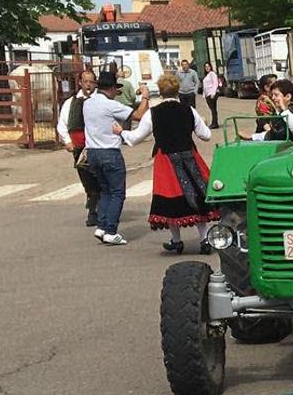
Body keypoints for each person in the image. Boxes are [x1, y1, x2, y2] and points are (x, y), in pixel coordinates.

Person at [121, 72, 219, 254]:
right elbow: (206, 135)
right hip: (189, 155)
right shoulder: (189, 110)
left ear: (160, 90)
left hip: (166, 158)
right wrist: (200, 123)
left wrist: (121, 132)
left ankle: (176, 240)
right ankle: (205, 239)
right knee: (197, 193)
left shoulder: (153, 113)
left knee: (170, 196)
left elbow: (134, 139)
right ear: (177, 89)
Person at [84, 71, 150, 245]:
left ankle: (102, 226)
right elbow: (139, 115)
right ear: (112, 88)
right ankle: (111, 230)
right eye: (116, 90)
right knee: (117, 192)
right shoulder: (110, 105)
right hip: (109, 151)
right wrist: (145, 97)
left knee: (105, 191)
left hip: (92, 151)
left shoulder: (88, 103)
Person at [55, 70, 101, 225]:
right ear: (80, 83)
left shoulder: (100, 101)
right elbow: (62, 124)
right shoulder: (71, 102)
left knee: (100, 178)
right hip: (80, 148)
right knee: (87, 179)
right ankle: (93, 209)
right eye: (85, 81)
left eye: (91, 81)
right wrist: (67, 141)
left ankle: (97, 210)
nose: (88, 84)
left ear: (95, 83)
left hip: (98, 146)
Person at [202, 62, 220, 127]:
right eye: (205, 67)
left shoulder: (212, 74)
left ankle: (215, 123)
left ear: (210, 67)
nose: (207, 68)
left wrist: (213, 93)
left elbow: (215, 83)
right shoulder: (207, 75)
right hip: (208, 94)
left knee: (213, 109)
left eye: (208, 66)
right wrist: (204, 94)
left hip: (212, 94)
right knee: (212, 109)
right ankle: (214, 122)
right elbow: (205, 86)